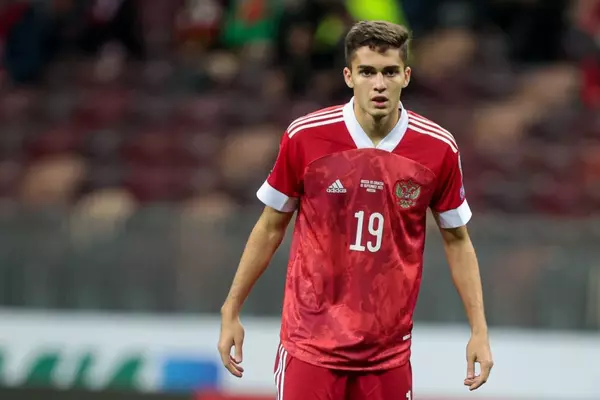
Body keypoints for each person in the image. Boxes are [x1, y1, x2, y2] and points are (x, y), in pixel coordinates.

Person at [218, 20, 493, 400]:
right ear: (349, 76)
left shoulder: (438, 148)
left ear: (406, 76)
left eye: (389, 72)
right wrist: (231, 308)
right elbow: (270, 226)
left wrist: (479, 330)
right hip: (309, 347)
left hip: (388, 356)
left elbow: (458, 240)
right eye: (367, 72)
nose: (379, 84)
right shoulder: (306, 136)